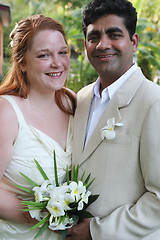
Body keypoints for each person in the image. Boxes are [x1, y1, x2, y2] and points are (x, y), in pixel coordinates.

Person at [69, 0, 160, 239]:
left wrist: (96, 231)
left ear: (134, 42)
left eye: (114, 34)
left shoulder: (154, 101)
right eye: (93, 36)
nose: (103, 44)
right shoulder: (82, 98)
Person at [0, 14, 75, 240]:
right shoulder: (6, 114)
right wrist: (41, 214)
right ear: (22, 62)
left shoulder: (71, 103)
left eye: (62, 52)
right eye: (44, 55)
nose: (57, 63)